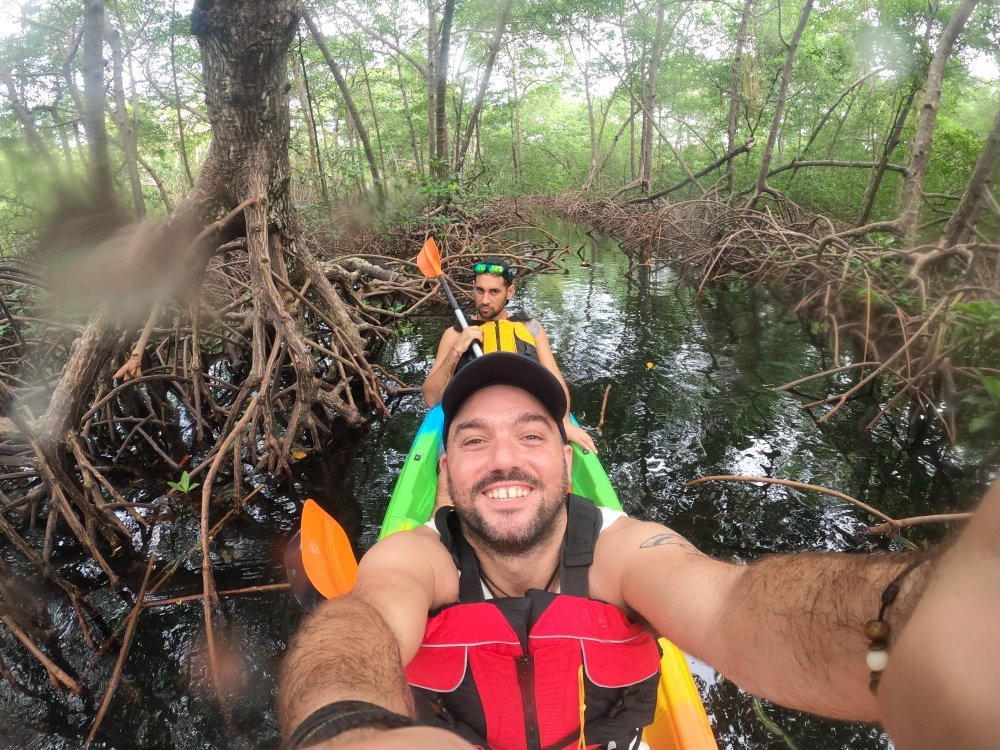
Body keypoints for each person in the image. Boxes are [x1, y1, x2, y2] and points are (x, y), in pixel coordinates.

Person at [278, 352, 999, 750]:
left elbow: (730, 606)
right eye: (474, 440)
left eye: (533, 435)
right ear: (447, 471)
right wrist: (345, 726)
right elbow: (362, 621)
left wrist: (907, 623)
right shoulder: (417, 556)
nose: (504, 458)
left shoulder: (627, 552)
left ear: (568, 461)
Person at [420, 258, 597, 454]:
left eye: (494, 292)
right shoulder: (454, 334)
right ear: (473, 288)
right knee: (447, 469)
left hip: (524, 420)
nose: (485, 300)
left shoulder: (531, 328)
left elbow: (555, 381)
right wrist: (457, 350)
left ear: (509, 292)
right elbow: (431, 398)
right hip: (472, 425)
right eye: (480, 290)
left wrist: (564, 423)